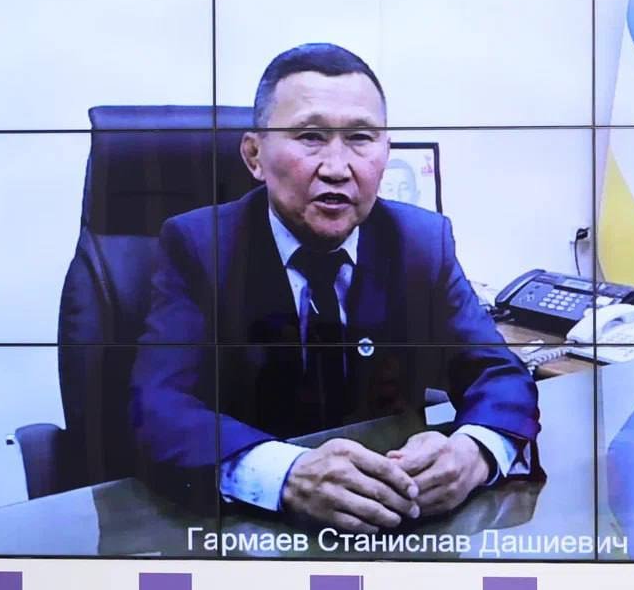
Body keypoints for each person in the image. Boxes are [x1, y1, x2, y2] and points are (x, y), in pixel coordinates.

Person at [130, 43, 541, 533]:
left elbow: (500, 374)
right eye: (310, 137)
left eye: (361, 138)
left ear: (387, 152)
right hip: (247, 537)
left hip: (395, 524)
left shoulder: (421, 243)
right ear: (254, 154)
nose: (337, 167)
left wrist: (472, 453)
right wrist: (285, 475)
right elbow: (159, 406)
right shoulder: (200, 247)